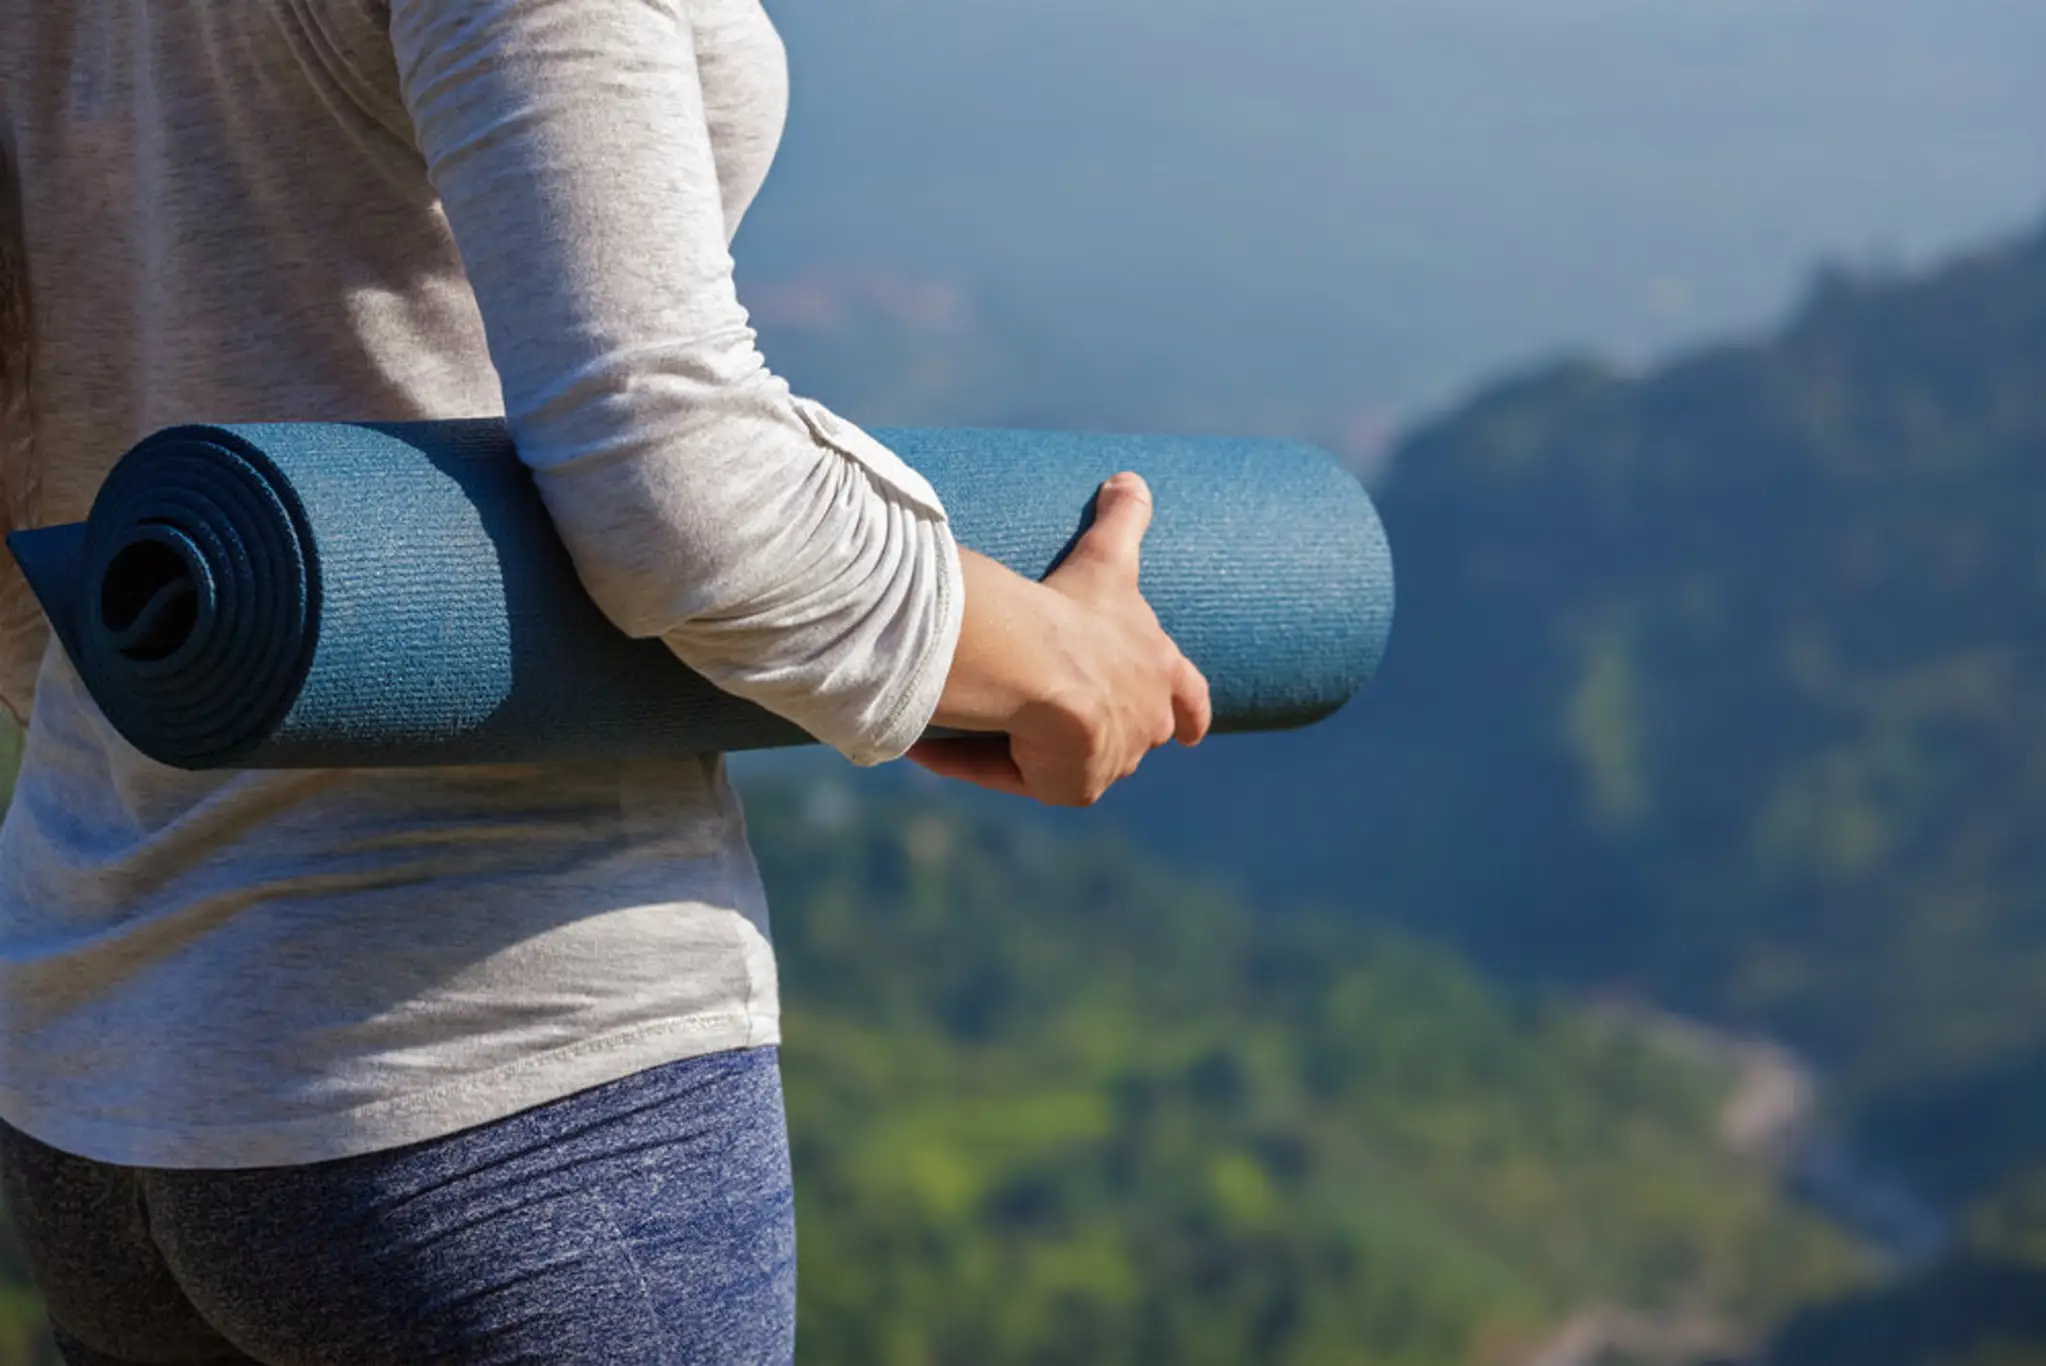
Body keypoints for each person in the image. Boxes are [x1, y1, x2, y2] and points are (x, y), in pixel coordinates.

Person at [0, 1, 1211, 1361]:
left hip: (93, 1064)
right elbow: (670, 476)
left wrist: (168, 748)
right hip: (499, 1076)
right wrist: (1057, 654)